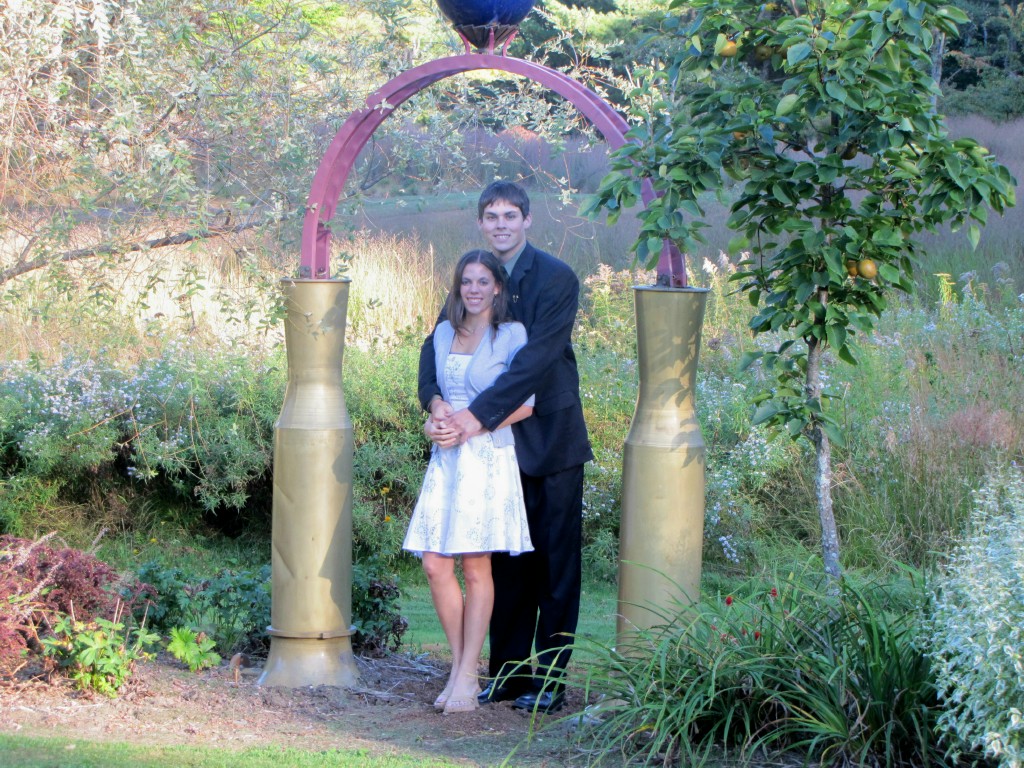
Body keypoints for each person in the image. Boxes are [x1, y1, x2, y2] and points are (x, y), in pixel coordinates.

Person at [419, 181, 593, 714]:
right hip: (492, 451)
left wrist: (472, 418)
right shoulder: (477, 276)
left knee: (554, 565)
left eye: (509, 216)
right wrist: (434, 402)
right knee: (506, 564)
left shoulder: (556, 278)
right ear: (481, 223)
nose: (500, 225)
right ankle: (509, 674)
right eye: (491, 216)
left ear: (527, 220)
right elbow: (436, 346)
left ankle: (550, 680)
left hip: (549, 439)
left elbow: (534, 362)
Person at [403, 249, 535, 716]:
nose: (474, 290)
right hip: (447, 459)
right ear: (457, 287)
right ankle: (461, 667)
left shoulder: (511, 335)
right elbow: (436, 392)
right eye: (466, 282)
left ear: (497, 286)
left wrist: (470, 426)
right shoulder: (443, 332)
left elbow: (525, 405)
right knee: (435, 564)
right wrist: (436, 415)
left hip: (486, 457)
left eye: (483, 281)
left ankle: (466, 674)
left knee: (477, 567)